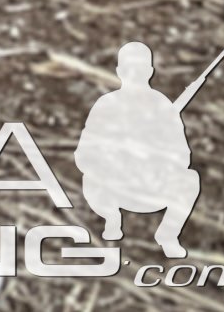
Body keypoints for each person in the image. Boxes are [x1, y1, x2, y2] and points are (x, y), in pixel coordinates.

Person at [75, 43, 201, 254]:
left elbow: (182, 156)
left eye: (140, 69)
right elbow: (84, 154)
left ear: (150, 72)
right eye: (129, 69)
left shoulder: (163, 106)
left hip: (151, 186)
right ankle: (111, 220)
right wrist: (116, 155)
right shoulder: (106, 105)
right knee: (91, 179)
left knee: (190, 179)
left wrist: (155, 154)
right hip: (115, 185)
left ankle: (168, 235)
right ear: (119, 72)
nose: (135, 75)